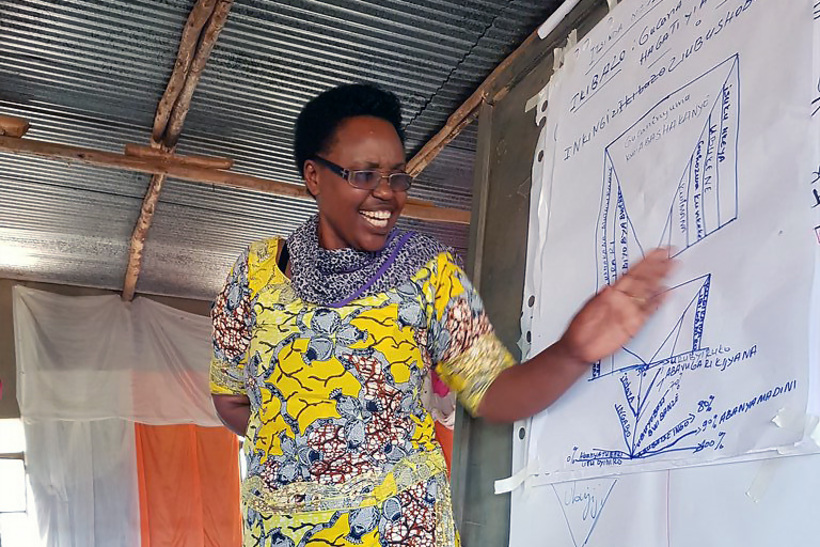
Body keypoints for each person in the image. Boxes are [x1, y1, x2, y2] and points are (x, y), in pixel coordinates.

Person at [209, 83, 673, 547]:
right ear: (314, 176)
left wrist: (575, 351)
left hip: (403, 529)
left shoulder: (429, 274)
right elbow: (230, 398)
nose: (387, 193)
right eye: (364, 175)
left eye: (396, 176)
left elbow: (491, 390)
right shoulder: (253, 277)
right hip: (280, 533)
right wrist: (305, 446)